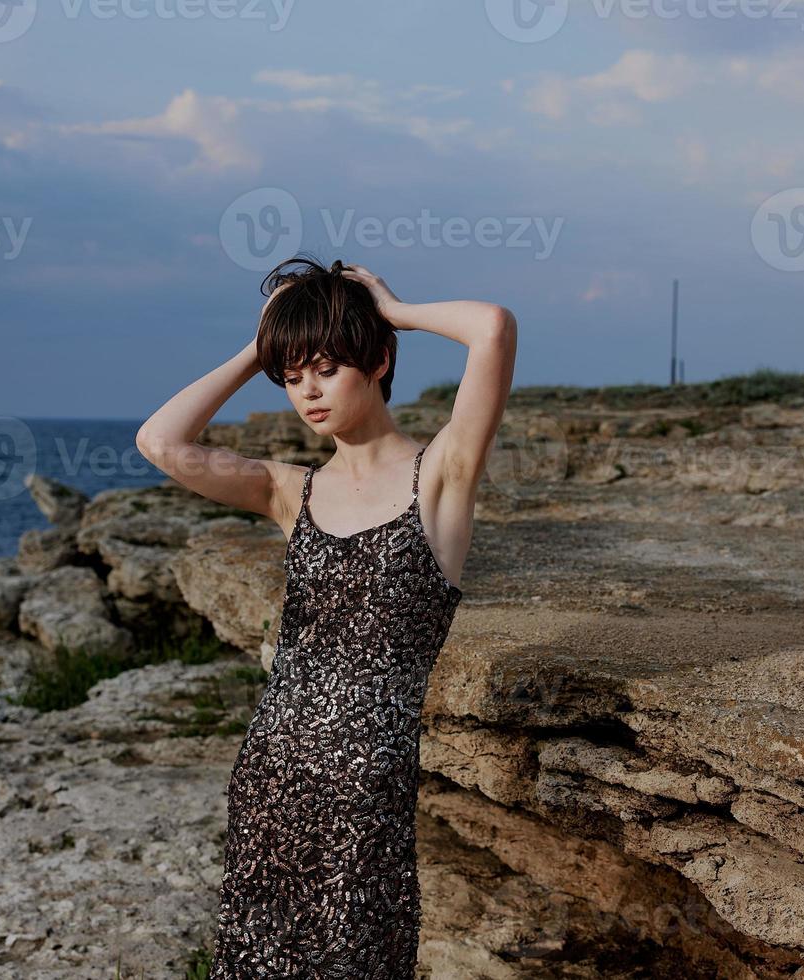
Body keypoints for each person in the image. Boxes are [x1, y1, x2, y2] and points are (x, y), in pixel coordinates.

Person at [135, 254, 516, 977]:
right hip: (271, 775)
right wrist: (262, 345)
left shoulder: (439, 478)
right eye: (291, 375)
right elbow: (161, 443)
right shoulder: (290, 493)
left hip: (364, 793)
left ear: (375, 360)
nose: (306, 390)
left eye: (324, 367)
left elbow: (491, 327)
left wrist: (392, 309)